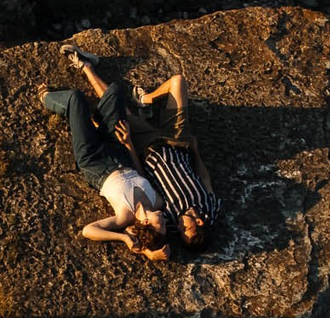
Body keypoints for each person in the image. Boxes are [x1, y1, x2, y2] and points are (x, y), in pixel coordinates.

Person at [41, 50, 175, 260]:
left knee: (76, 99)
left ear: (147, 224)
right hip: (120, 152)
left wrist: (125, 239)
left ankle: (46, 98)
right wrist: (128, 143)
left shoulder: (125, 217)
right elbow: (140, 171)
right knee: (115, 92)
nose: (165, 221)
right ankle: (99, 115)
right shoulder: (157, 202)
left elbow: (88, 230)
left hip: (93, 160)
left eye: (162, 225)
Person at [131, 72, 221, 250]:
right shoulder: (211, 209)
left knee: (110, 108)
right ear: (200, 222)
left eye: (181, 232)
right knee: (178, 81)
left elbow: (141, 233)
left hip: (148, 149)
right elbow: (204, 178)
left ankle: (86, 67)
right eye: (186, 227)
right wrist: (195, 151)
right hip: (177, 142)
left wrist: (149, 254)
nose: (180, 227)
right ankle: (145, 100)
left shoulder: (167, 222)